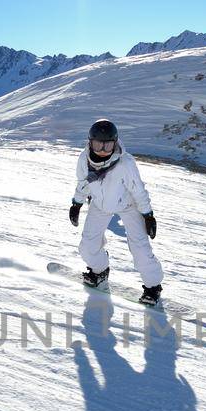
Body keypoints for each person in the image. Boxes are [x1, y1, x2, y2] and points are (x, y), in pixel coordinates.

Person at [69, 118, 164, 304]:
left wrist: (148, 215)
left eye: (107, 145)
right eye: (98, 145)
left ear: (115, 143)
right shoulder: (84, 159)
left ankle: (153, 287)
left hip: (128, 206)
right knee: (87, 246)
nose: (102, 151)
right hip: (100, 205)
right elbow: (83, 184)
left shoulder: (125, 163)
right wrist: (76, 203)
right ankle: (100, 271)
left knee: (140, 249)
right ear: (90, 142)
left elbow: (138, 190)